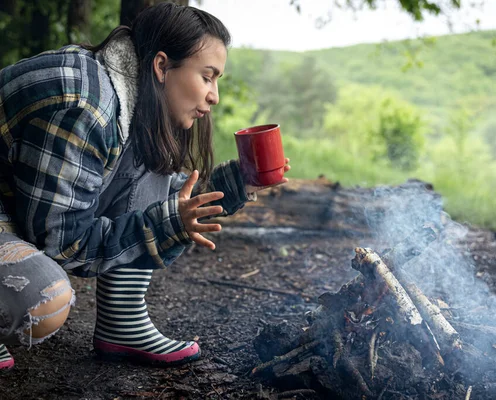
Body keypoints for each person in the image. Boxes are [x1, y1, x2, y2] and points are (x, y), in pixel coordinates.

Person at [0, 3, 290, 369]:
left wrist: (240, 181)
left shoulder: (129, 102)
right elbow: (64, 244)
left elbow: (167, 204)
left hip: (12, 204)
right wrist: (169, 222)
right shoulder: (86, 107)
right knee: (43, 302)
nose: (214, 95)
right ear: (161, 66)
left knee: (154, 162)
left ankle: (122, 323)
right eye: (208, 76)